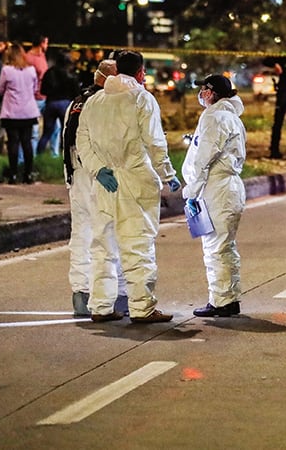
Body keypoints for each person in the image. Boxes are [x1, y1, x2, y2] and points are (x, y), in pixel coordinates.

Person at [76, 50, 181, 323]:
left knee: (102, 245)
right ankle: (142, 307)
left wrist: (98, 169)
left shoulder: (95, 101)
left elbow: (82, 140)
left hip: (104, 182)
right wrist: (168, 174)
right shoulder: (142, 99)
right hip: (135, 180)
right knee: (137, 245)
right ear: (140, 72)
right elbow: (155, 142)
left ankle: (100, 306)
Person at [63, 58, 126, 317]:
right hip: (101, 174)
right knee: (112, 235)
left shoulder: (75, 103)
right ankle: (116, 296)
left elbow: (68, 142)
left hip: (77, 176)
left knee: (81, 234)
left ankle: (81, 294)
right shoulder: (106, 103)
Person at [183, 75, 247, 317]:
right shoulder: (231, 118)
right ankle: (228, 298)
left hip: (216, 190)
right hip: (227, 188)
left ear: (210, 92)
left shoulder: (214, 117)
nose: (200, 93)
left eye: (203, 89)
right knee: (224, 246)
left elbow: (204, 158)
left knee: (215, 248)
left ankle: (221, 302)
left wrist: (191, 190)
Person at [0, 43, 40, 184]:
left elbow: (0, 89)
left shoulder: (6, 70)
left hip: (11, 112)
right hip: (28, 111)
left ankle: (13, 174)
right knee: (27, 143)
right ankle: (28, 174)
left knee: (13, 143)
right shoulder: (31, 70)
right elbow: (35, 89)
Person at [37, 51, 79, 157]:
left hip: (51, 103)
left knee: (46, 132)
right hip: (65, 104)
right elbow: (76, 92)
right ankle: (66, 156)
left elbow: (43, 91)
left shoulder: (49, 72)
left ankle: (38, 155)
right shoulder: (70, 75)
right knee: (66, 132)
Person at [24, 35, 49, 153]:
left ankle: (51, 153)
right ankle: (30, 157)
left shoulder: (42, 56)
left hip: (45, 97)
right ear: (41, 43)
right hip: (34, 98)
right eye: (46, 43)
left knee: (55, 127)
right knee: (33, 131)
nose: (47, 46)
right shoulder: (28, 58)